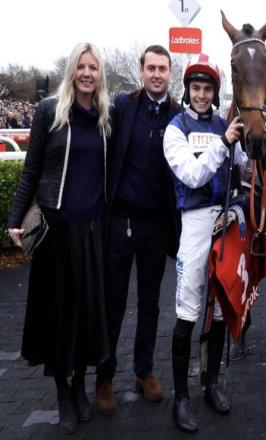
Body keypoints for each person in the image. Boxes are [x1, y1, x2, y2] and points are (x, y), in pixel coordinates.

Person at [7, 42, 111, 434]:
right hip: (56, 233)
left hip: (92, 232)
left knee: (86, 318)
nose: (87, 73)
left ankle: (80, 384)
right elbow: (31, 170)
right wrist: (14, 219)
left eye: (93, 68)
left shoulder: (104, 117)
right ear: (71, 70)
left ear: (100, 75)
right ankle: (63, 392)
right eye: (81, 66)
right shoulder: (50, 111)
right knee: (58, 318)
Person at [94, 45, 181, 413]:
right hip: (120, 222)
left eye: (163, 68)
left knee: (150, 303)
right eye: (152, 68)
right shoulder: (122, 106)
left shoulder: (178, 115)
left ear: (170, 73)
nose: (157, 74)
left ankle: (143, 371)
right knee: (113, 303)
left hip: (157, 226)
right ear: (142, 71)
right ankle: (104, 377)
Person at [163, 53, 246, 433]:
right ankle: (181, 398)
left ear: (214, 92)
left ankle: (211, 384)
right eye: (195, 88)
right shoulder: (175, 128)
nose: (201, 94)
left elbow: (244, 167)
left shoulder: (224, 123)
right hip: (195, 223)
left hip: (224, 220)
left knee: (220, 308)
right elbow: (193, 176)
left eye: (207, 89)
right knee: (188, 311)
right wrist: (223, 142)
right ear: (188, 90)